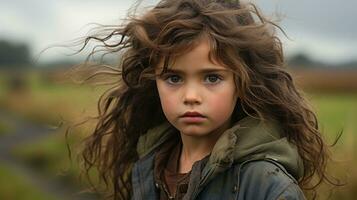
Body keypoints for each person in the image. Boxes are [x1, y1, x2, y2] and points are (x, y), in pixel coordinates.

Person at [77, 0, 335, 199]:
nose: (191, 97)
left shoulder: (265, 184)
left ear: (241, 82)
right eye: (174, 78)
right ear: (153, 81)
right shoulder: (148, 164)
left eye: (212, 78)